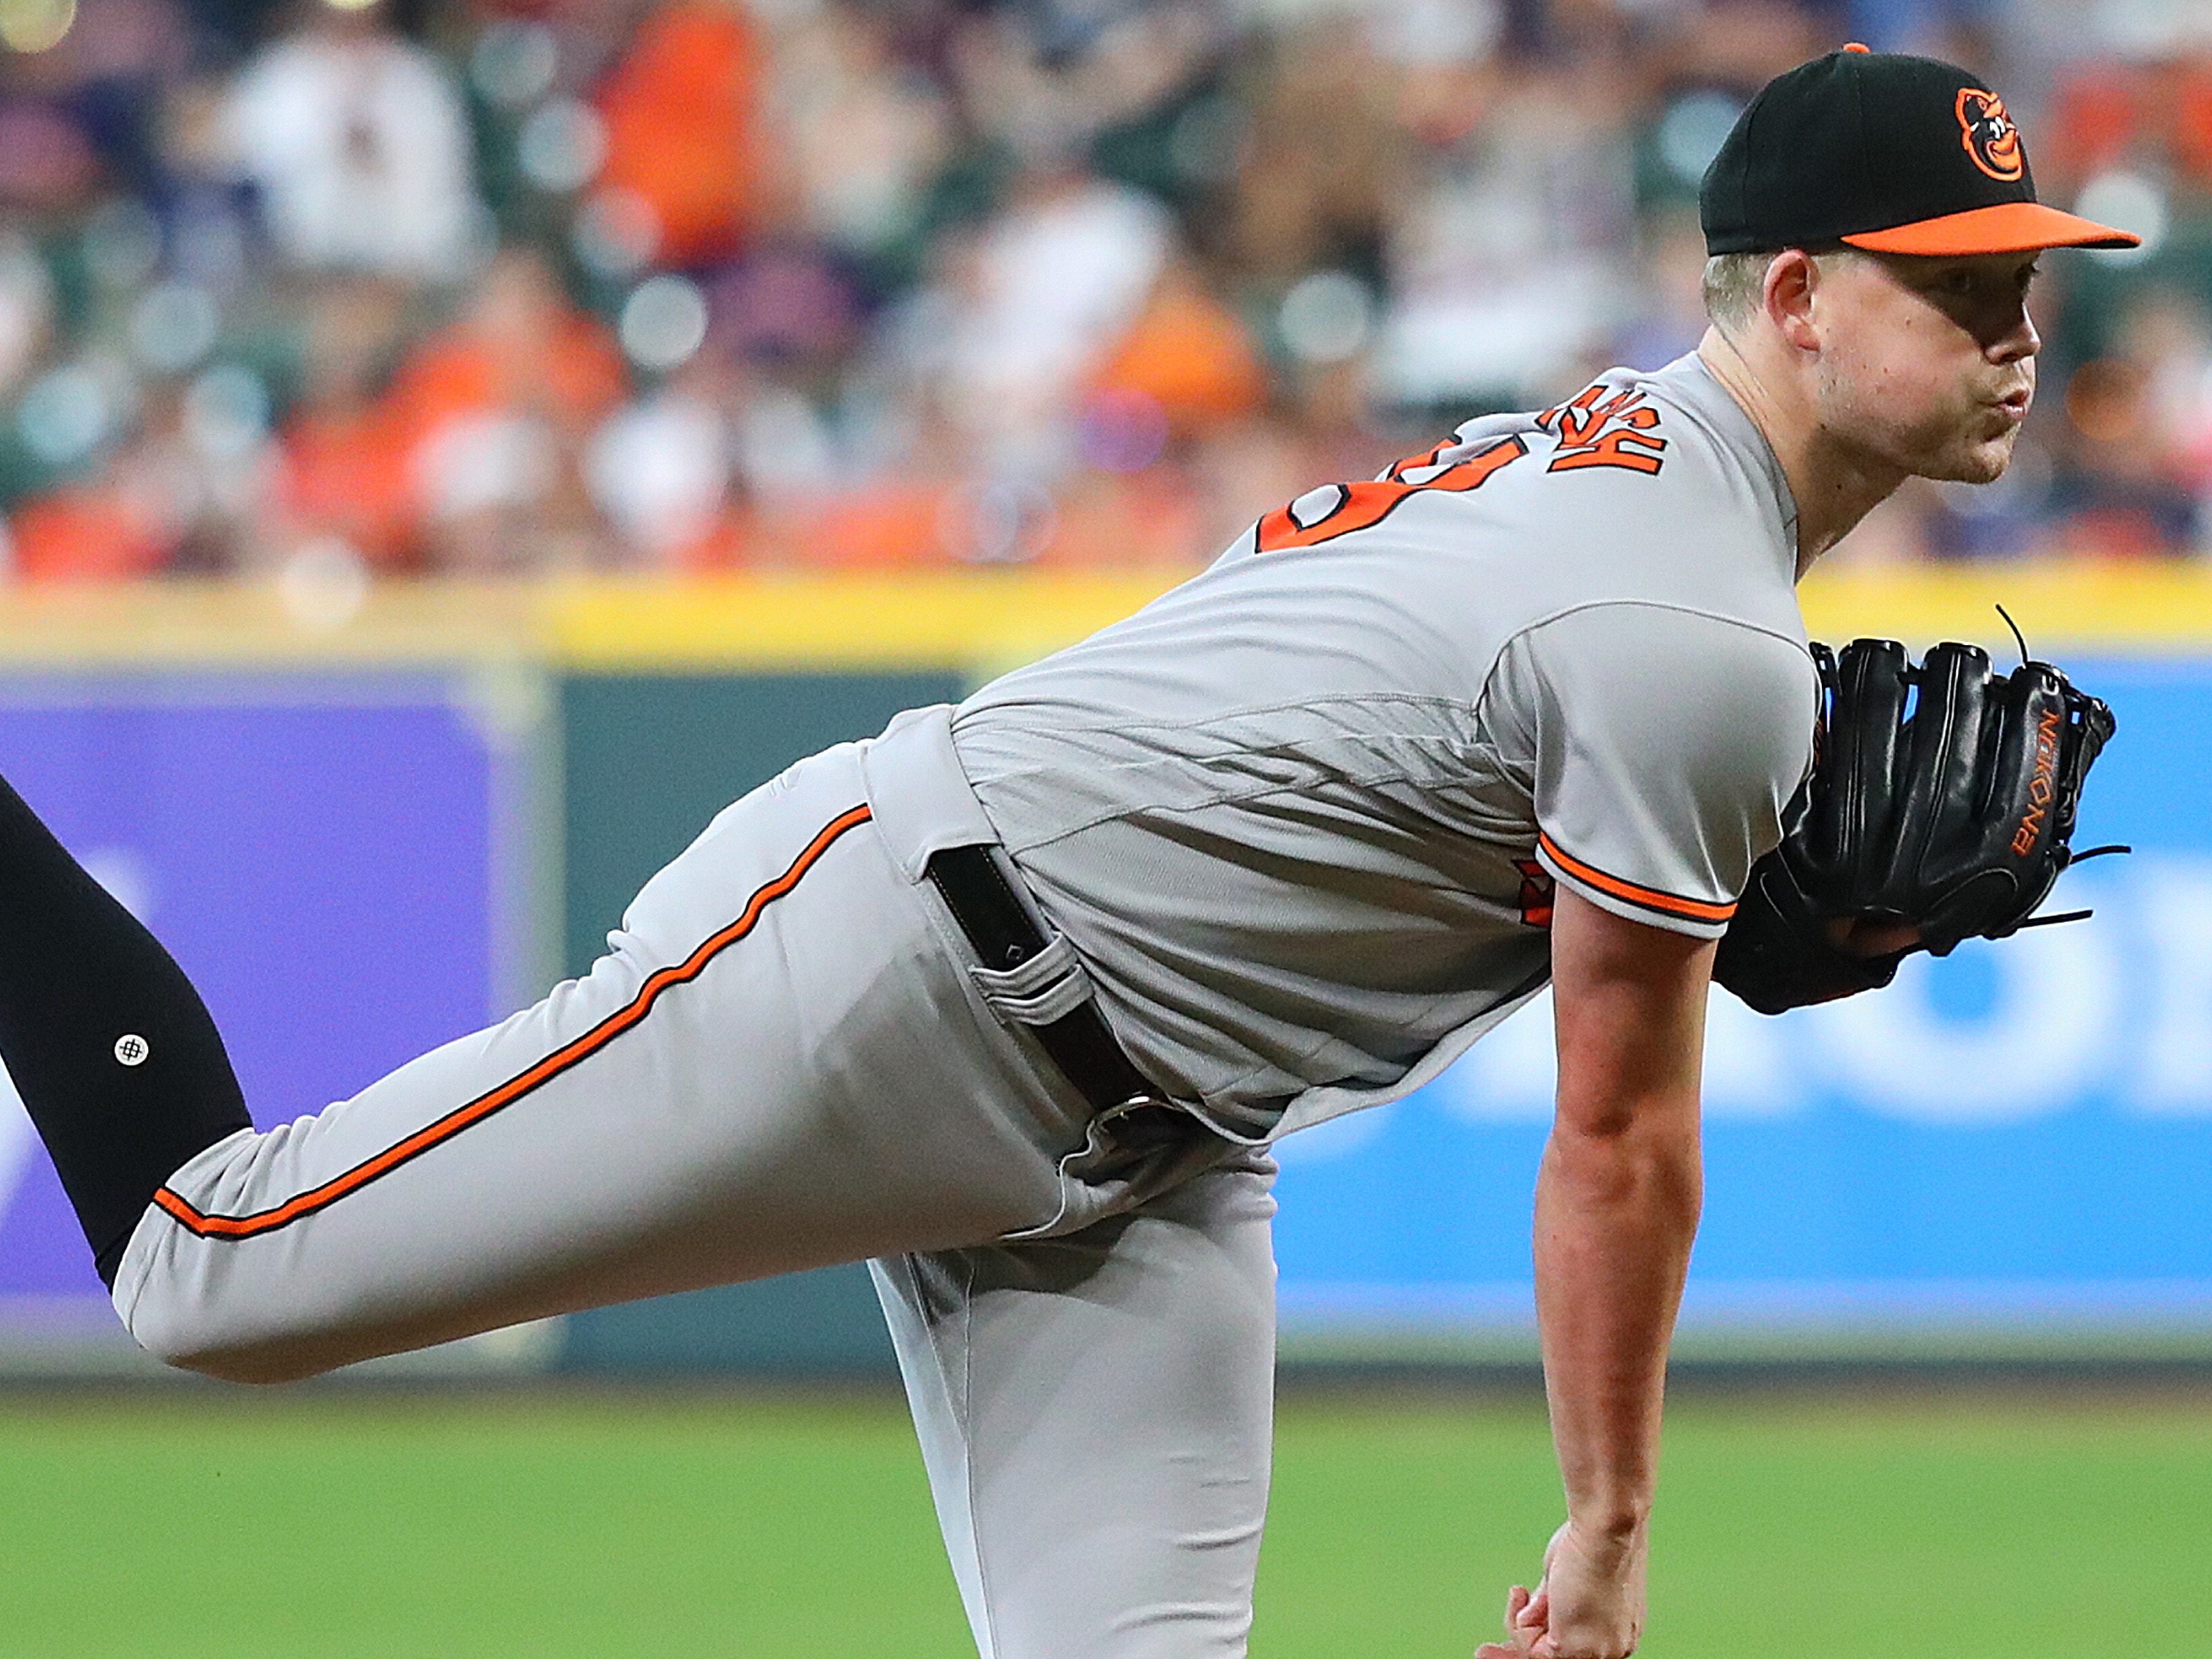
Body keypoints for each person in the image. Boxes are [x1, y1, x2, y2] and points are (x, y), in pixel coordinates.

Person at [0, 49, 2134, 1659]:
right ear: (1794, 293)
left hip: (1162, 1152)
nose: (2020, 329)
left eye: (2030, 280)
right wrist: (1607, 1528)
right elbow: (1617, 1143)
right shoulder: (1691, 627)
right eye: (1962, 288)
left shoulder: (1642, 480)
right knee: (215, 1272)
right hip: (906, 961)